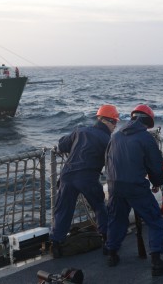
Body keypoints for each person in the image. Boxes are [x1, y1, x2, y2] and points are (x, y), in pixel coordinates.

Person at [104, 104, 163, 276]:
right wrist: (157, 181)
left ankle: (112, 254)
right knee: (155, 220)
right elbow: (155, 166)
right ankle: (157, 262)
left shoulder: (116, 136)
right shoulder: (146, 138)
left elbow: (108, 161)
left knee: (116, 219)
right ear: (147, 122)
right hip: (135, 186)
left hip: (114, 185)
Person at [50, 104, 119, 258]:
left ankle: (55, 244)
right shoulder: (108, 140)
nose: (115, 126)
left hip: (67, 175)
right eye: (114, 122)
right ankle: (107, 241)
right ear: (107, 121)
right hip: (88, 177)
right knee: (100, 207)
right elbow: (112, 164)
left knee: (63, 210)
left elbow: (62, 145)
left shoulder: (80, 131)